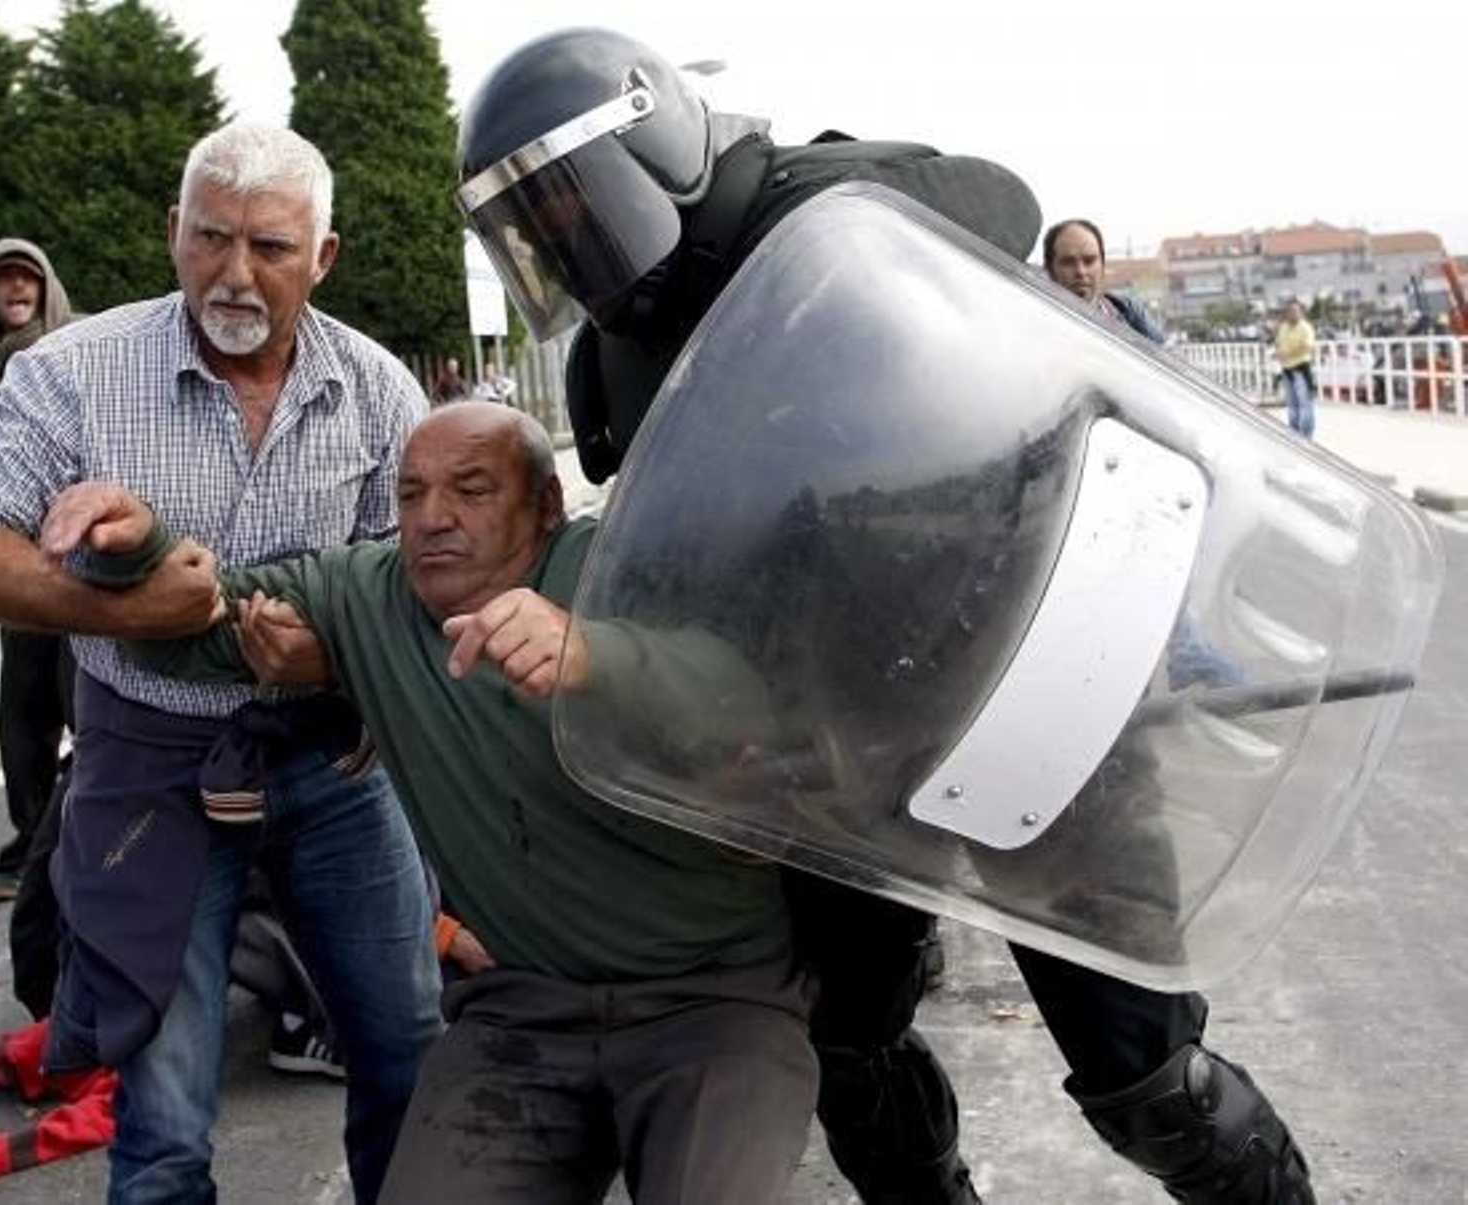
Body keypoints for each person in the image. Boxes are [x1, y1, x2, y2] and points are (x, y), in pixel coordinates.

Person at [452, 29, 1315, 1204]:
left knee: (1149, 1076)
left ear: (654, 143)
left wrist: (848, 243)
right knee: (848, 1049)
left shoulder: (828, 205)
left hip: (1024, 702)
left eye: (573, 198)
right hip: (830, 750)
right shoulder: (612, 359)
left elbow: (1000, 207)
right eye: (533, 223)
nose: (563, 236)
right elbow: (660, 551)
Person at [42, 400, 821, 1205]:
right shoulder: (364, 597)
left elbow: (745, 694)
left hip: (715, 1004)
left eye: (472, 489)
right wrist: (135, 553)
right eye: (411, 494)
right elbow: (199, 625)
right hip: (523, 1010)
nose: (432, 518)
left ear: (546, 505)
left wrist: (597, 655)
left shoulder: (618, 568)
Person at [0, 122, 443, 1205]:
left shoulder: (382, 392)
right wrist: (118, 606)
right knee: (160, 1116)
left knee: (410, 1047)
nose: (235, 273)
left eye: (271, 247)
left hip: (332, 764)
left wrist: (338, 650)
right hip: (149, 765)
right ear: (172, 232)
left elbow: (430, 587)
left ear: (324, 256)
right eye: (210, 238)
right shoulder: (75, 372)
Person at [0, 238, 77, 903]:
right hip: (18, 564)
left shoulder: (65, 351)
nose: (14, 288)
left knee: (83, 705)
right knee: (27, 714)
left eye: (25, 277)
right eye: (1, 279)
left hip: (71, 559)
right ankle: (34, 838)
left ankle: (56, 839)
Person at [1274, 300, 1317, 436]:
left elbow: (1308, 346)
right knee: (1292, 406)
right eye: (1290, 311)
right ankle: (1294, 434)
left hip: (1301, 369)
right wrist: (1279, 353)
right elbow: (1278, 343)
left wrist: (1288, 352)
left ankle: (1305, 435)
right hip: (1287, 370)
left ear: (1301, 312)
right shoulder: (1283, 327)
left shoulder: (1306, 327)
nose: (1292, 313)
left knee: (1305, 405)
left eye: (1295, 311)